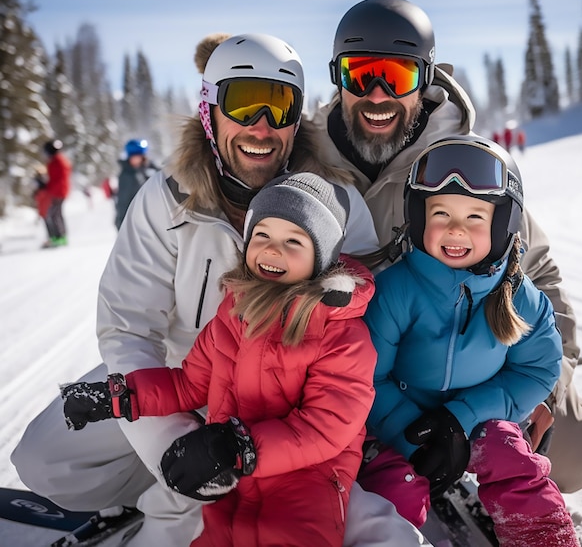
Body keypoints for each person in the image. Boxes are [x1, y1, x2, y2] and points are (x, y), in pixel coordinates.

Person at [12, 33, 426, 547]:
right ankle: (165, 497)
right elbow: (127, 326)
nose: (261, 125)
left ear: (296, 119)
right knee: (44, 459)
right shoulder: (167, 198)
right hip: (187, 375)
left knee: (308, 510)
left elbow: (358, 329)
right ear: (209, 109)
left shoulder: (335, 202)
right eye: (242, 102)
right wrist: (176, 447)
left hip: (290, 404)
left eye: (278, 106)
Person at [302, 0, 582, 494]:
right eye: (360, 74)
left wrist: (547, 390)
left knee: (577, 453)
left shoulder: (465, 163)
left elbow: (537, 270)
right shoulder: (305, 164)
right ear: (337, 77)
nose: (377, 94)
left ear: (425, 79)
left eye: (397, 76)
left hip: (474, 360)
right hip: (362, 369)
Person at [60, 172, 378, 547]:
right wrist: (120, 395)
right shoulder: (233, 313)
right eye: (262, 236)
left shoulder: (341, 333)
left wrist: (238, 447)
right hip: (235, 472)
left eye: (293, 241)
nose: (273, 250)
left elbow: (326, 427)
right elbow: (188, 383)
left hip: (308, 480)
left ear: (321, 258)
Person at [361, 136, 580, 546]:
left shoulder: (517, 295)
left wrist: (461, 419)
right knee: (392, 488)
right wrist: (409, 433)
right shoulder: (395, 291)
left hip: (479, 419)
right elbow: (367, 377)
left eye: (475, 217)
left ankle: (542, 537)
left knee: (513, 457)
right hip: (404, 425)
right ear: (418, 217)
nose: (456, 229)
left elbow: (537, 367)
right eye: (440, 212)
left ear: (502, 225)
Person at [114, 138, 160, 230]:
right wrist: (121, 221)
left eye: (138, 156)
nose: (136, 159)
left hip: (156, 217)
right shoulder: (127, 175)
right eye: (133, 157)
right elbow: (123, 200)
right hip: (136, 220)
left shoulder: (152, 169)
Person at [40, 138, 72, 248]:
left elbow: (60, 179)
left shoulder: (58, 161)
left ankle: (61, 237)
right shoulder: (55, 161)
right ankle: (56, 237)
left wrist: (49, 187)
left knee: (54, 214)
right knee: (53, 214)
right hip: (56, 191)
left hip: (59, 192)